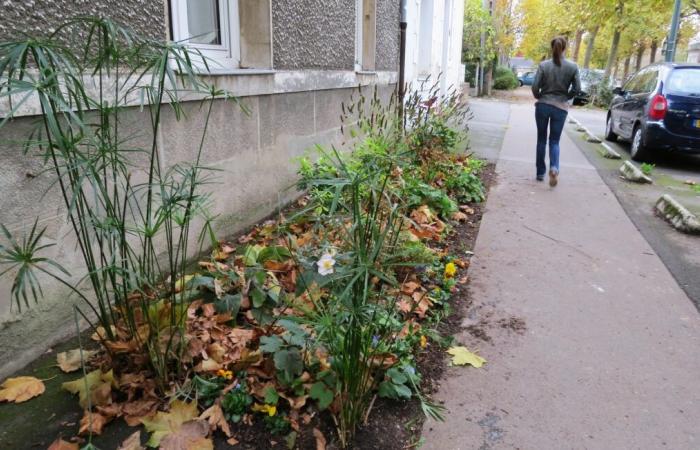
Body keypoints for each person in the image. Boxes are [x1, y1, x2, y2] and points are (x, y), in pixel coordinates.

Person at [531, 36, 581, 187]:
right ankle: (554, 168)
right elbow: (577, 89)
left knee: (541, 139)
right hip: (560, 108)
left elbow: (535, 87)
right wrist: (566, 97)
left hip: (543, 105)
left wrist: (540, 97)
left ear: (551, 47)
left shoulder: (544, 65)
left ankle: (540, 173)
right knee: (554, 141)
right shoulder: (573, 67)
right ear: (564, 48)